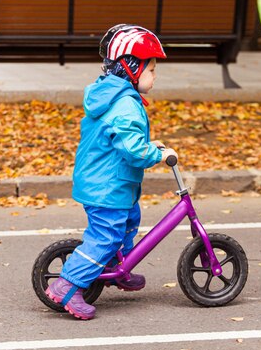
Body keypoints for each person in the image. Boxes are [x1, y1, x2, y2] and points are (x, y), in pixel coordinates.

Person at [45, 24, 178, 320]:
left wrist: (148, 143)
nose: (155, 76)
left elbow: (122, 137)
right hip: (106, 186)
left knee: (130, 219)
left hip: (110, 182)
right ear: (132, 68)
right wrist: (157, 154)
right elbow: (132, 149)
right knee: (106, 235)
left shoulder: (113, 95)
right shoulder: (125, 105)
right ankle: (66, 286)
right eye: (151, 69)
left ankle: (115, 268)